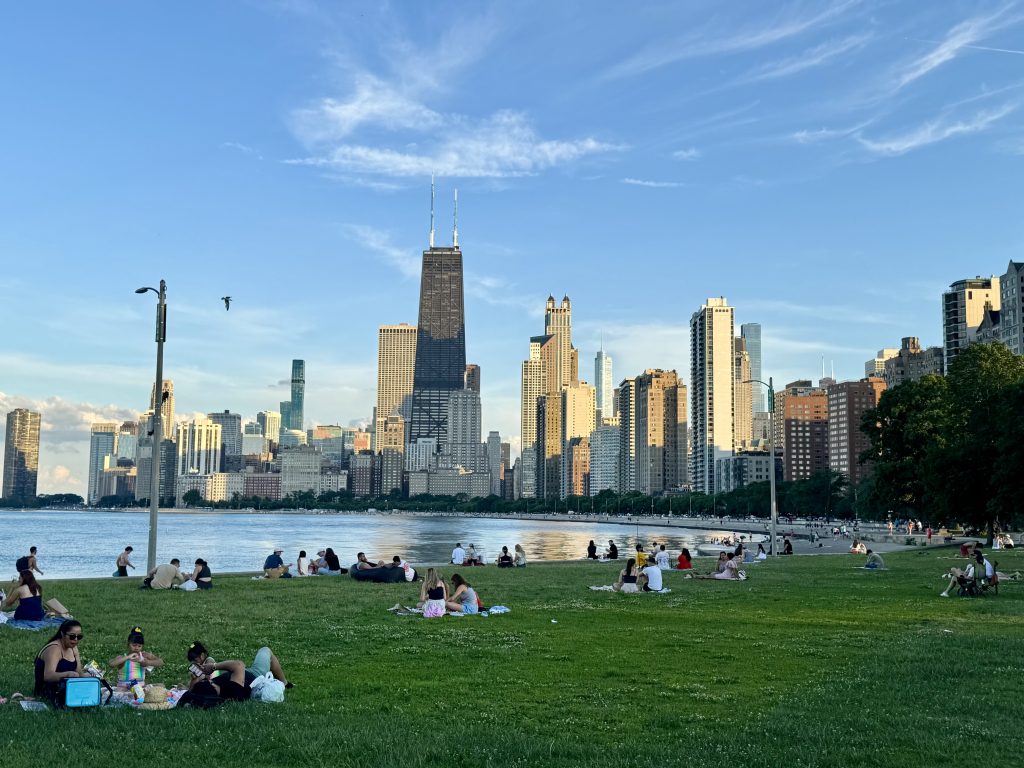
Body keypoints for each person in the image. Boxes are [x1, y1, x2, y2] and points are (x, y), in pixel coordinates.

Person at [184, 640, 290, 705]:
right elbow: (238, 665)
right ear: (214, 687)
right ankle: (284, 683)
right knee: (265, 650)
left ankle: (284, 682)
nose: (194, 662)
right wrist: (212, 668)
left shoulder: (208, 663)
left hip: (242, 674)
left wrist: (194, 681)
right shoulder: (232, 691)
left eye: (195, 659)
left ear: (202, 655)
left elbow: (191, 692)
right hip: (255, 675)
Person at [34, 619, 88, 707]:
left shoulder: (73, 647)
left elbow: (78, 672)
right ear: (62, 634)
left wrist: (92, 675)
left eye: (79, 637)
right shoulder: (54, 649)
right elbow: (48, 676)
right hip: (48, 691)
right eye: (72, 636)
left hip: (67, 687)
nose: (75, 640)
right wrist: (67, 674)